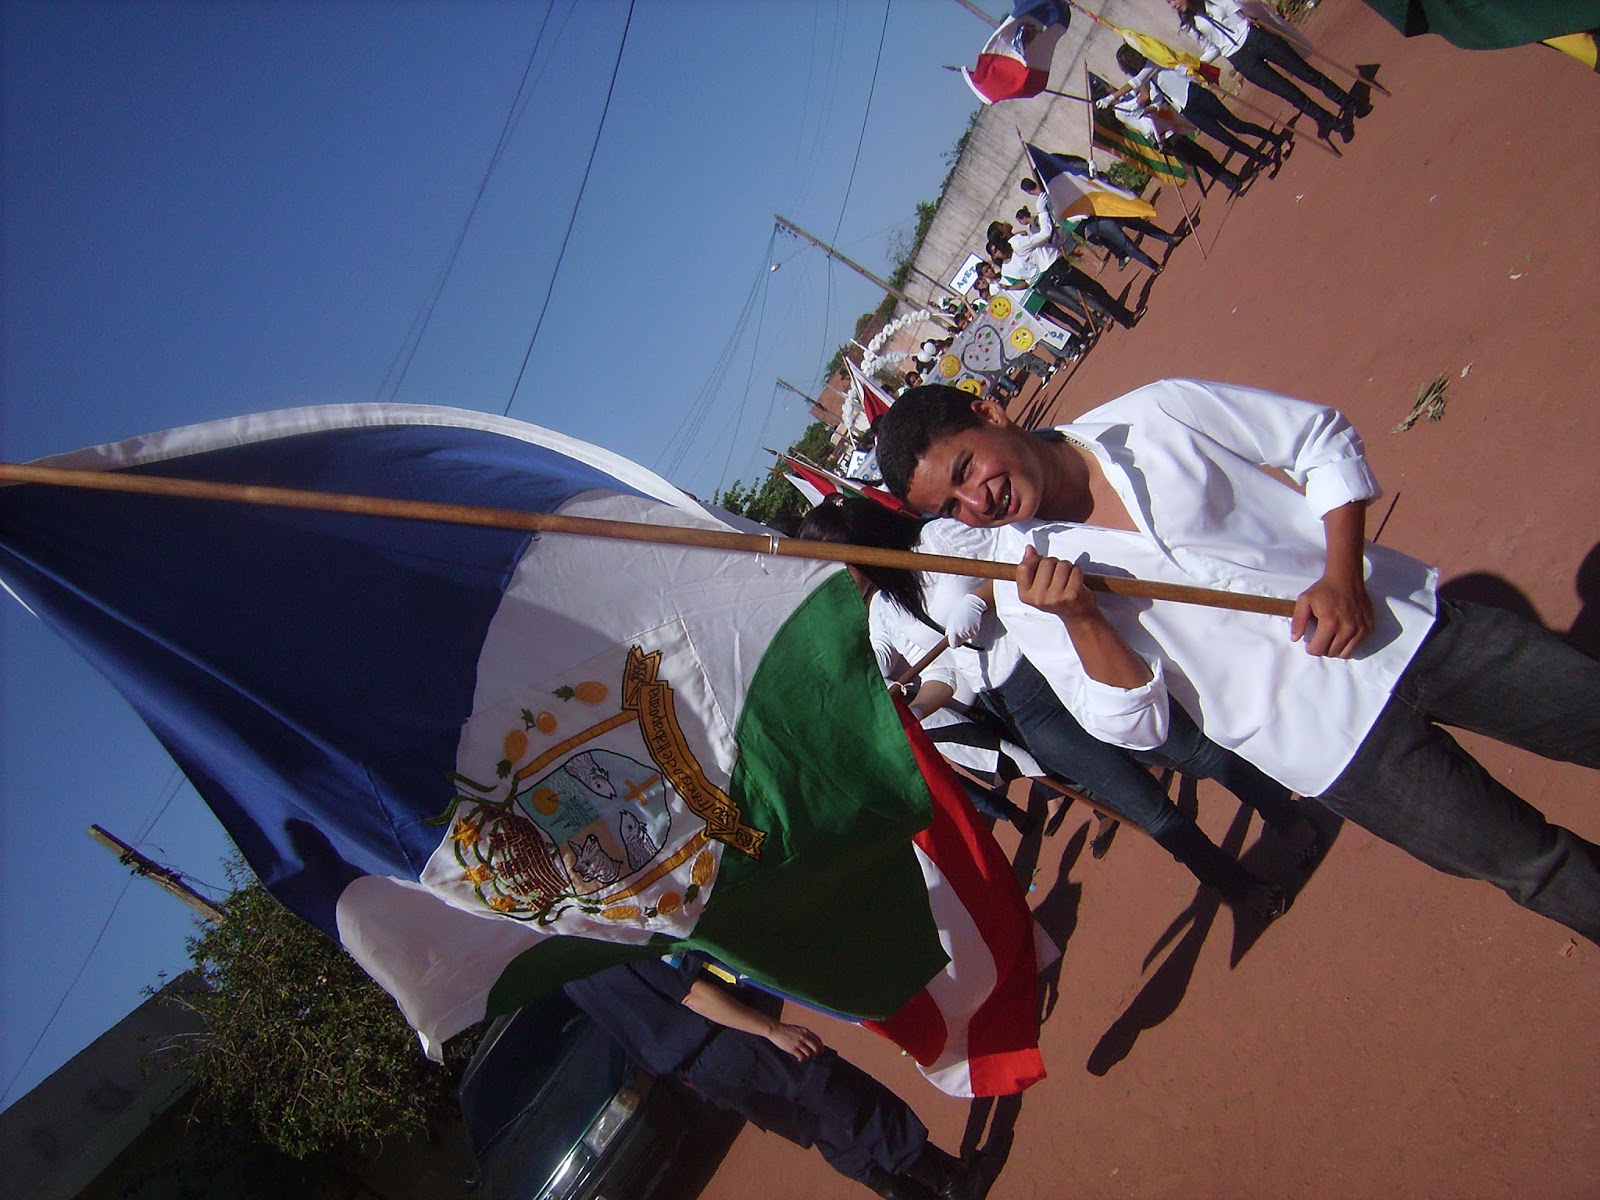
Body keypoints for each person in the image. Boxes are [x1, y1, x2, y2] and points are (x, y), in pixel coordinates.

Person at [873, 382, 1600, 943]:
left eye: (967, 469)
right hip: (1335, 748)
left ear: (991, 411)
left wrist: (1342, 574)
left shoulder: (1153, 415)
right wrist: (1084, 620)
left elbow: (1318, 438)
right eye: (952, 507)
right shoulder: (1026, 593)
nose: (977, 503)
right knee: (1536, 866)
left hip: (1407, 630)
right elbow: (1134, 727)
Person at [799, 493, 1326, 917]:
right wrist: (908, 710)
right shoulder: (885, 610)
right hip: (1022, 710)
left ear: (856, 542)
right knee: (1149, 810)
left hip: (1056, 661)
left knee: (1191, 750)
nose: (838, 578)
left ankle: (1287, 817)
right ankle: (1237, 888)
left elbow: (1016, 557)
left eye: (835, 564)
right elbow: (944, 676)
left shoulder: (936, 539)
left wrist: (981, 596)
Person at [565, 955, 982, 1200]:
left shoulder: (569, 976)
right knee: (843, 1096)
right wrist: (772, 1029)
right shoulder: (603, 936)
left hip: (701, 1068)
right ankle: (949, 1180)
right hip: (728, 1037)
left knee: (817, 1126)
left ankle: (907, 1192)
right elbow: (691, 992)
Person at [1172, 0, 1362, 142]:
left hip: (1254, 36)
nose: (1173, 5)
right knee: (1290, 94)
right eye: (1169, 3)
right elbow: (1212, 49)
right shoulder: (1189, 24)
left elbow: (1236, 8)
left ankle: (1347, 102)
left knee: (1307, 74)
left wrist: (1252, 16)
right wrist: (1195, 65)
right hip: (1241, 59)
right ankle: (1334, 123)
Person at [1114, 44, 1285, 175]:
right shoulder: (1145, 80)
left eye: (1132, 57)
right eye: (1129, 62)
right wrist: (1146, 111)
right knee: (1226, 139)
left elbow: (1143, 93)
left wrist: (1112, 99)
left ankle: (1276, 139)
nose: (1134, 62)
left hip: (1196, 94)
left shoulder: (1154, 61)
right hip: (1187, 109)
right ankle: (1263, 160)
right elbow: (1156, 99)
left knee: (1237, 125)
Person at [987, 219, 1140, 331]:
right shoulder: (1017, 243)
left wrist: (1052, 246)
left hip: (1051, 271)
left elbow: (1039, 252)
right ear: (1002, 235)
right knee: (1089, 293)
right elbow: (1045, 234)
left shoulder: (1018, 243)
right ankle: (1124, 318)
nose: (1005, 223)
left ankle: (1120, 316)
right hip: (1052, 273)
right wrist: (1042, 209)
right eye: (1001, 225)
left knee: (1091, 291)